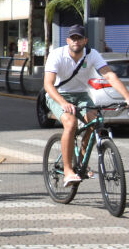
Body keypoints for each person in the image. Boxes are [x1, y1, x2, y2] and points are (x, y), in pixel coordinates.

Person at [44, 24, 129, 184]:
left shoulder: (92, 55)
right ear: (68, 40)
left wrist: (127, 97)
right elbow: (48, 84)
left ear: (85, 40)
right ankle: (68, 171)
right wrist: (63, 103)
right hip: (58, 94)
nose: (76, 41)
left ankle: (82, 162)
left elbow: (109, 75)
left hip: (81, 95)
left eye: (79, 38)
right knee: (70, 123)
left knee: (95, 122)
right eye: (73, 38)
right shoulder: (57, 55)